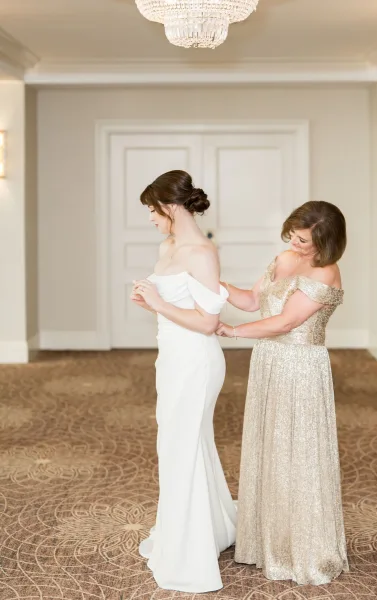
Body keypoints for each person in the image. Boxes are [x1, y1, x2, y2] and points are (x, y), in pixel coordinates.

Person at [217, 201, 349, 585]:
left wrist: (233, 331)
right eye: (292, 232)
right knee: (270, 447)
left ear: (325, 241)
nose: (294, 241)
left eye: (303, 239)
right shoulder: (283, 256)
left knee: (299, 452)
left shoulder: (327, 272)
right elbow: (253, 301)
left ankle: (303, 548)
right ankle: (266, 540)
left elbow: (288, 321)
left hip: (301, 367)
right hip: (270, 362)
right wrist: (215, 285)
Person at [131, 170, 236, 593]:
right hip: (172, 356)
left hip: (196, 360)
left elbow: (208, 322)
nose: (150, 219)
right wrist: (150, 303)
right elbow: (174, 309)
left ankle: (189, 550)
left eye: (152, 211)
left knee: (183, 446)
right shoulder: (167, 244)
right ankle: (202, 527)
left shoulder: (201, 252)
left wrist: (159, 302)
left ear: (170, 207)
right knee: (179, 445)